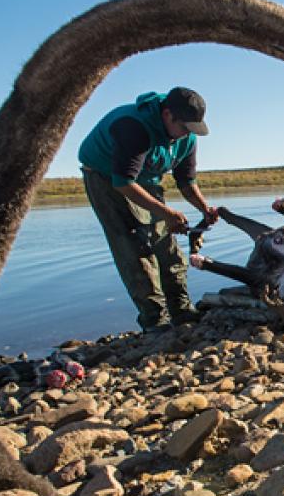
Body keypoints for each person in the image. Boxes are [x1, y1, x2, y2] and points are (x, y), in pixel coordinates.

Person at [78, 87, 219, 332]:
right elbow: (122, 182)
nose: (187, 133)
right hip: (106, 177)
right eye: (184, 126)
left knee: (167, 245)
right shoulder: (133, 127)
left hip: (146, 179)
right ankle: (155, 319)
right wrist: (167, 213)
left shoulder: (187, 138)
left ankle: (182, 310)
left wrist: (204, 208)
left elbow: (186, 182)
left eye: (193, 128)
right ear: (167, 115)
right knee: (135, 248)